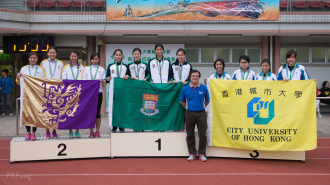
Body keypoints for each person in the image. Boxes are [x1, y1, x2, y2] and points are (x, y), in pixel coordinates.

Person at [180, 69, 210, 162]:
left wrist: (201, 107)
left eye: (196, 76)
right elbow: (182, 101)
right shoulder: (185, 88)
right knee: (190, 134)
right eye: (193, 76)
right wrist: (189, 108)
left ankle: (201, 153)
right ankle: (192, 153)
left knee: (202, 134)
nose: (195, 77)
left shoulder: (203, 88)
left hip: (201, 113)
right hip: (189, 113)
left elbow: (207, 100)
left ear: (199, 77)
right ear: (190, 77)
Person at [16, 52, 46, 141]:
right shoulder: (24, 69)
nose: (33, 60)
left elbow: (43, 81)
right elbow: (18, 82)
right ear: (28, 59)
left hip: (36, 96)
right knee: (27, 114)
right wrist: (18, 77)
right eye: (31, 58)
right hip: (26, 95)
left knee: (35, 114)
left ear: (37, 59)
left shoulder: (40, 69)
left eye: (34, 58)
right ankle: (28, 132)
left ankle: (34, 133)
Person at [40, 46, 64, 139]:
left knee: (55, 112)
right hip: (46, 90)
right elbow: (41, 76)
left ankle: (54, 131)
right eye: (50, 52)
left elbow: (62, 77)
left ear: (56, 53)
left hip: (57, 91)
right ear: (47, 53)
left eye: (54, 52)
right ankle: (47, 131)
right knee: (47, 112)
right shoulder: (43, 63)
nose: (52, 54)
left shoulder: (60, 63)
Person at [62, 50, 85, 139]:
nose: (73, 58)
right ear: (69, 57)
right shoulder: (66, 67)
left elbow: (85, 79)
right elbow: (64, 80)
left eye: (75, 56)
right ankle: (70, 131)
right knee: (69, 113)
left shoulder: (82, 67)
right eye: (72, 56)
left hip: (79, 93)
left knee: (78, 112)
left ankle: (78, 131)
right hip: (69, 93)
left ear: (77, 57)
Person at [106, 49, 129, 133]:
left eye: (120, 55)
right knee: (113, 108)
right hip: (112, 90)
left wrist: (127, 76)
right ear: (114, 56)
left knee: (122, 108)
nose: (118, 56)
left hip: (123, 90)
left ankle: (121, 126)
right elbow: (106, 78)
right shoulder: (110, 65)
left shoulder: (125, 66)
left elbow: (128, 77)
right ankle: (114, 126)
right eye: (117, 55)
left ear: (122, 56)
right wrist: (106, 78)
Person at [83, 52, 106, 138]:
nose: (94, 61)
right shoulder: (86, 69)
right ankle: (91, 131)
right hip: (89, 94)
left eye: (96, 59)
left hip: (98, 93)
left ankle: (97, 131)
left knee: (98, 113)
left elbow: (104, 84)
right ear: (90, 60)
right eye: (93, 59)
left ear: (98, 59)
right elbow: (84, 81)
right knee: (90, 113)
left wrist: (103, 82)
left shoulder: (102, 69)